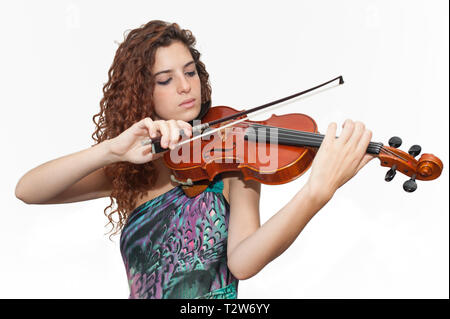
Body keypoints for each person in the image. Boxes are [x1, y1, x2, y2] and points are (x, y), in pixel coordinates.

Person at [15, 20, 374, 299]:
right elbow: (28, 190)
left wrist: (316, 192)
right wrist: (111, 149)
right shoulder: (133, 169)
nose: (186, 86)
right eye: (165, 80)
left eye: (189, 72)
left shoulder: (233, 160)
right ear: (141, 93)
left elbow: (243, 262)